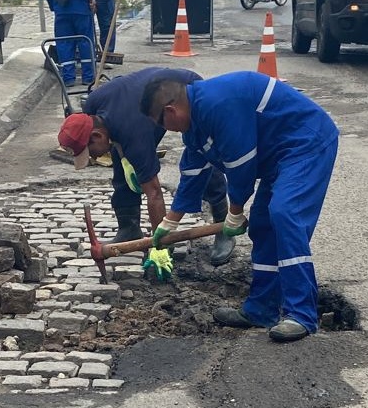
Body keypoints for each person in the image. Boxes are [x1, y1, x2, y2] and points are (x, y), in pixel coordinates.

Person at [141, 72, 340, 343]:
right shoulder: (196, 119)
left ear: (171, 110)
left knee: (284, 213)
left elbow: (241, 163)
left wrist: (234, 211)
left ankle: (302, 314)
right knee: (262, 224)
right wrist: (171, 221)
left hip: (306, 143)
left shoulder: (217, 103)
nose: (166, 130)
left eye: (161, 123)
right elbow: (193, 170)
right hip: (277, 156)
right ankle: (261, 309)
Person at [56, 67, 235, 265]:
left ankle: (223, 226)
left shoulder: (135, 137)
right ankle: (129, 228)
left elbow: (154, 194)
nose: (94, 157)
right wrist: (124, 158)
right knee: (119, 162)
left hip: (182, 89)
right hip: (142, 100)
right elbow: (117, 126)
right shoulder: (93, 103)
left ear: (97, 135)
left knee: (203, 155)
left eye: (90, 152)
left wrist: (161, 247)